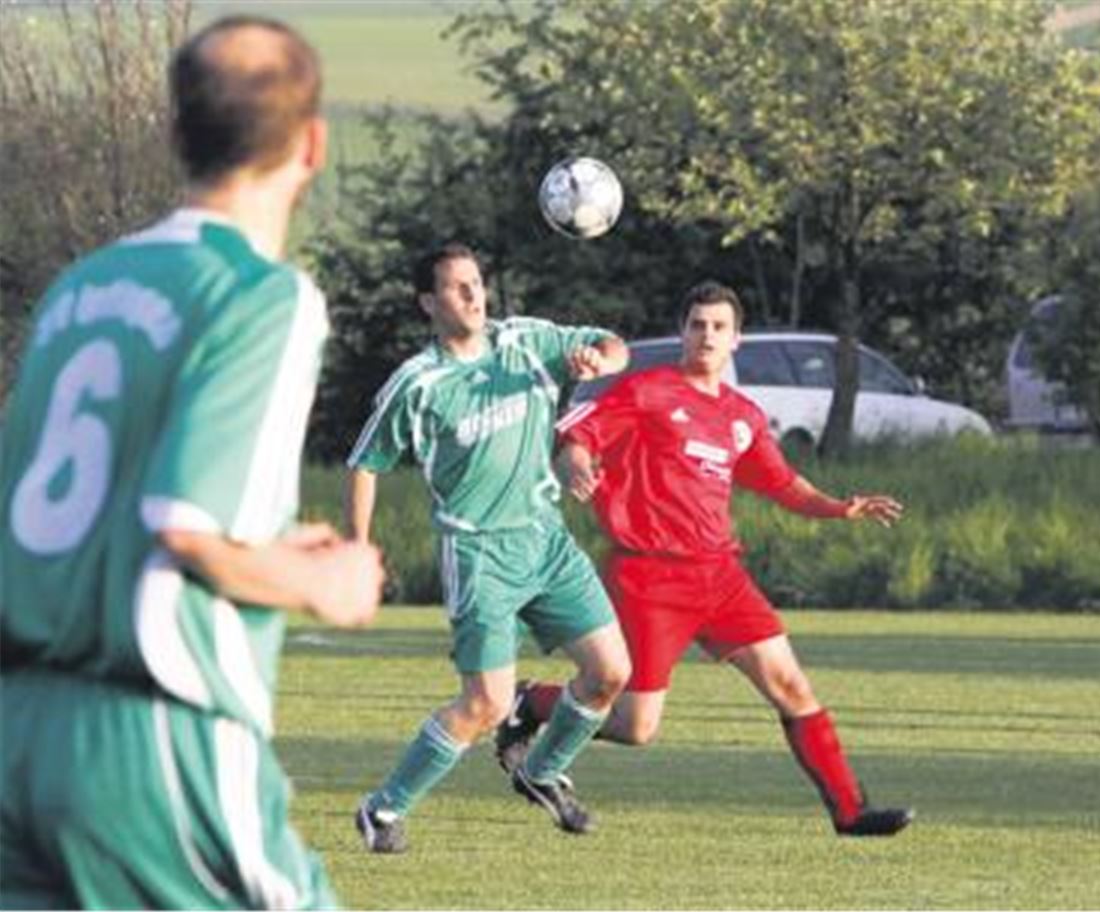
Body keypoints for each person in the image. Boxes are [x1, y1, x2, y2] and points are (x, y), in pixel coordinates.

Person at [0, 17, 385, 909]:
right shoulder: (263, 298)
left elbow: (71, 513)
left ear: (176, 135)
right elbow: (187, 529)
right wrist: (322, 585)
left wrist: (280, 541)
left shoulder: (79, 290)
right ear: (316, 142)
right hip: (146, 734)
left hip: (18, 728)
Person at [495, 280, 915, 838]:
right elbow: (581, 436)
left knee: (792, 687)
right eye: (697, 325)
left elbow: (784, 484)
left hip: (720, 577)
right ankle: (529, 702)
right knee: (636, 726)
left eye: (718, 326)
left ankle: (850, 811)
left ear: (737, 339)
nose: (707, 335)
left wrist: (840, 508)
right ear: (682, 332)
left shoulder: (742, 415)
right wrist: (575, 461)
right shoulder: (648, 390)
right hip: (647, 576)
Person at [345, 242, 632, 853]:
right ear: (429, 302)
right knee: (486, 703)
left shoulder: (526, 341)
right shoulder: (418, 383)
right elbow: (365, 464)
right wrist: (358, 549)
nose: (474, 295)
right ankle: (382, 810)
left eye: (476, 282)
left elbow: (614, 343)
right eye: (456, 287)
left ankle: (542, 771)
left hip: (545, 540)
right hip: (480, 557)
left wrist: (596, 360)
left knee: (610, 673)